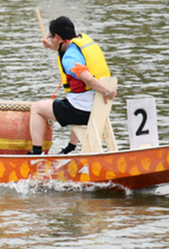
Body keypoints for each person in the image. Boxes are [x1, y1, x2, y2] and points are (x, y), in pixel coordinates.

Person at [29, 15, 116, 155]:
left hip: (83, 111)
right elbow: (69, 51)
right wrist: (51, 46)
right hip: (97, 107)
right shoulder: (81, 42)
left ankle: (36, 153)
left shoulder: (70, 58)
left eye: (51, 37)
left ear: (57, 37)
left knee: (36, 108)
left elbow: (88, 79)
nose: (50, 39)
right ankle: (70, 147)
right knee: (73, 98)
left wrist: (107, 92)